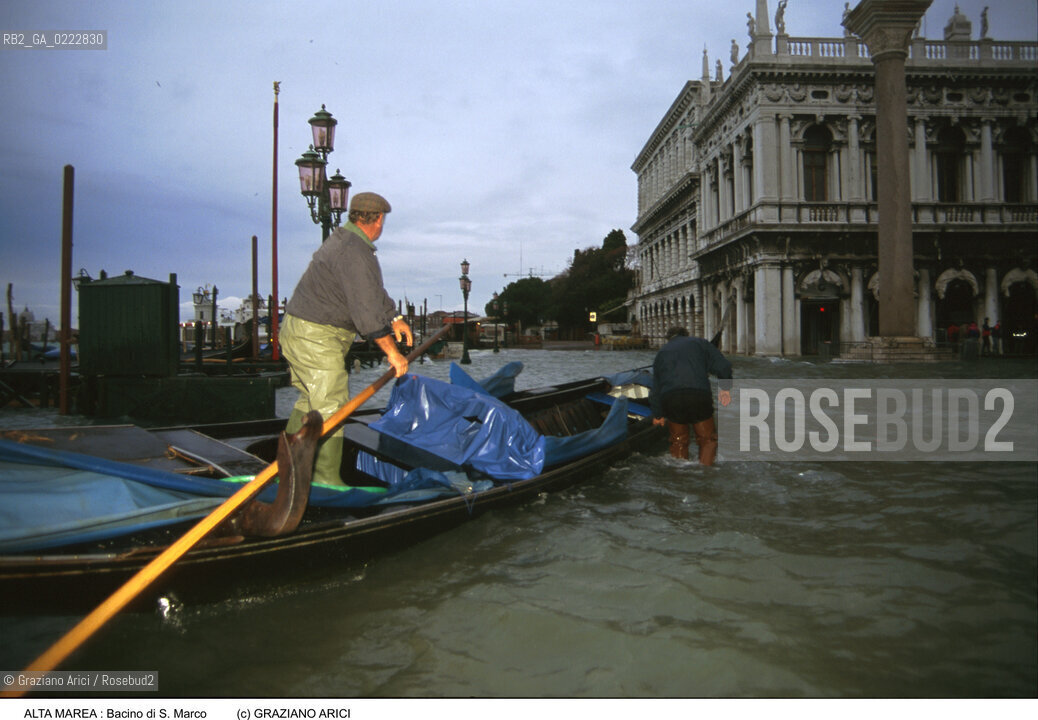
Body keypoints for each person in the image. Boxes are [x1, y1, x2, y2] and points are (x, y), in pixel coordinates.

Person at [279, 191, 413, 486]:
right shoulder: (354, 251)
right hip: (314, 335)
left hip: (303, 331)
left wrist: (394, 317)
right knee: (332, 404)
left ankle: (287, 469)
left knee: (310, 401)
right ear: (377, 220)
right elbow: (366, 316)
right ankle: (326, 481)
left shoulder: (350, 243)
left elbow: (370, 291)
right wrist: (392, 352)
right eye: (382, 220)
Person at [649, 327, 732, 465]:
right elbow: (724, 367)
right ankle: (705, 473)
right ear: (687, 335)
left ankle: (680, 475)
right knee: (707, 440)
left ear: (668, 339)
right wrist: (725, 389)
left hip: (671, 398)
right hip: (698, 396)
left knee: (679, 440)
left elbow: (656, 387)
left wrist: (658, 415)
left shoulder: (661, 353)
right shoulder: (700, 343)